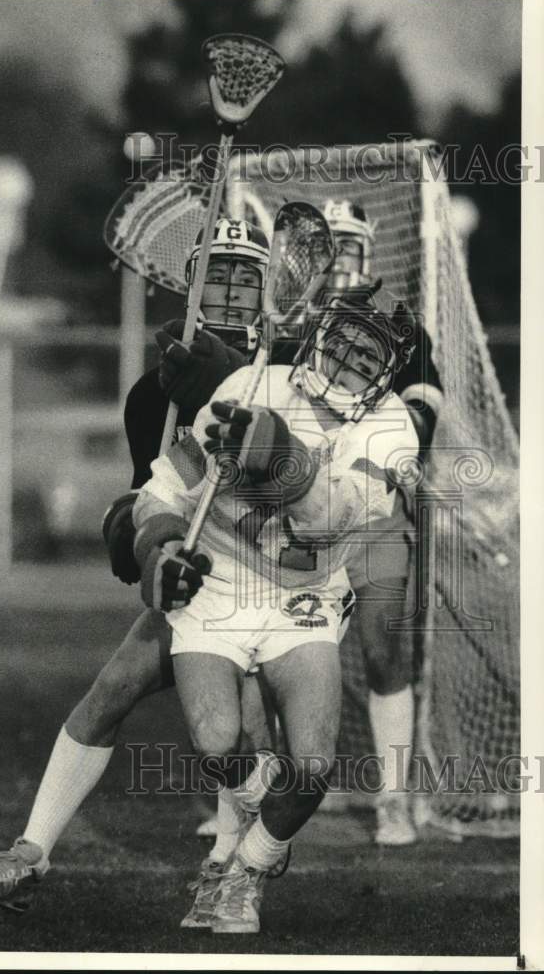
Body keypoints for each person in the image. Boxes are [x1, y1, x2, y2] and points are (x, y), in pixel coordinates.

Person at [0, 219, 285, 912]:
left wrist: (219, 386)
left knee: (245, 719)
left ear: (268, 291)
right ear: (187, 285)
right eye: (213, 273)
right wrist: (136, 533)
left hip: (284, 578)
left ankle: (234, 858)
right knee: (113, 689)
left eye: (244, 276)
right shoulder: (151, 394)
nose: (226, 289)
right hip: (205, 574)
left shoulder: (290, 377)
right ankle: (29, 852)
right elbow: (153, 494)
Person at [131, 290, 419, 933]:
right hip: (219, 582)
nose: (347, 357)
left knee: (312, 766)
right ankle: (258, 822)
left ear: (387, 369)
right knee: (217, 743)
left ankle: (246, 872)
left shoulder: (391, 427)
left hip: (304, 597)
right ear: (320, 334)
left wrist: (282, 455)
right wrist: (159, 551)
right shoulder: (252, 380)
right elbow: (164, 488)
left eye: (367, 352)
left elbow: (330, 520)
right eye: (342, 339)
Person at [321, 199, 443, 845]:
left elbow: (423, 413)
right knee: (270, 650)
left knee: (379, 645)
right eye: (328, 247)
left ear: (367, 253)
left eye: (349, 247)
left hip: (372, 514)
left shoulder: (400, 328)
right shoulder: (287, 324)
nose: (339, 261)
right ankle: (248, 798)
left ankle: (393, 798)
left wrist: (384, 441)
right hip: (294, 522)